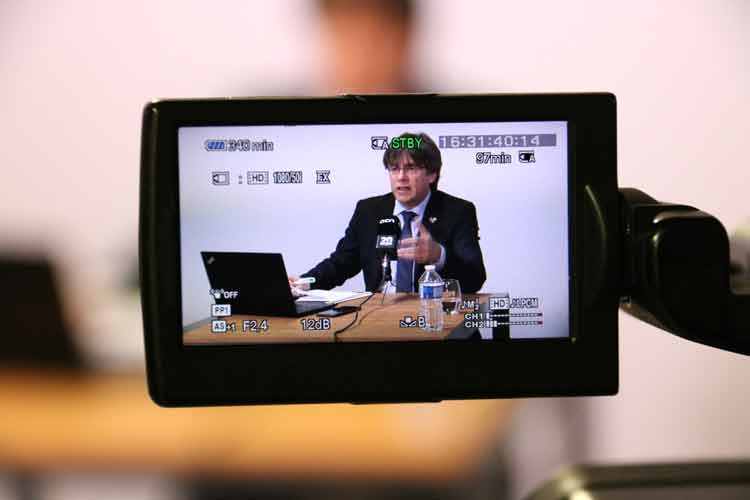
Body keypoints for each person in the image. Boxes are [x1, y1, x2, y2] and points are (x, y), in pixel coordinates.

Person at [290, 132, 486, 294]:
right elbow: (341, 263)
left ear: (432, 174)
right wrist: (302, 283)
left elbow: (475, 277)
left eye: (410, 168)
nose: (401, 177)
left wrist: (439, 256)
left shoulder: (458, 212)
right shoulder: (368, 211)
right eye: (394, 169)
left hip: (431, 314)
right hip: (378, 315)